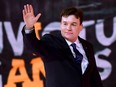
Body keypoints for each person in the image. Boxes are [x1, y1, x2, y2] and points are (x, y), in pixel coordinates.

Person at [22, 4, 103, 87]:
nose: (68, 28)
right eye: (65, 24)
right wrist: (29, 28)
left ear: (81, 27)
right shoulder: (51, 41)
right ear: (60, 25)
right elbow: (33, 47)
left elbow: (94, 78)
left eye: (73, 24)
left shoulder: (88, 46)